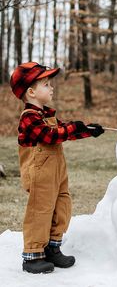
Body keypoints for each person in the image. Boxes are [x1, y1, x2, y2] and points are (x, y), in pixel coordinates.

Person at [10, 62, 104, 274]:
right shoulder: (29, 117)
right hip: (39, 171)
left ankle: (52, 247)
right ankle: (33, 254)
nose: (51, 88)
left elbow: (65, 131)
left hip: (56, 171)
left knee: (62, 206)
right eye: (46, 84)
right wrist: (73, 127)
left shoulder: (47, 115)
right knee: (40, 211)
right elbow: (50, 136)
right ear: (32, 92)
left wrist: (88, 130)